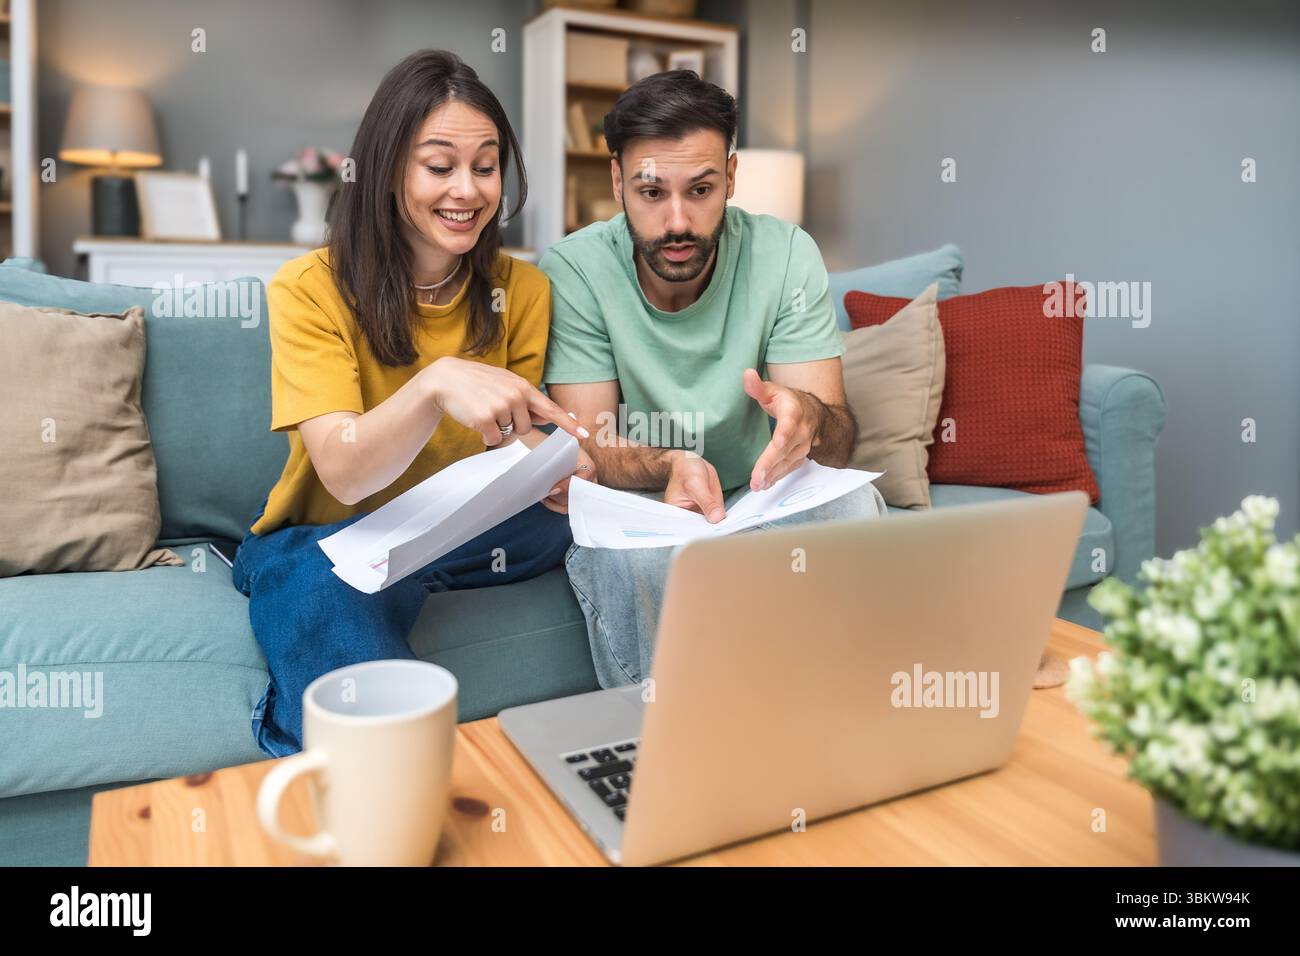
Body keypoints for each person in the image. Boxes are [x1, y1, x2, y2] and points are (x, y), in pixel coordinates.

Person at [232, 50, 591, 756]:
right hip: (344, 529)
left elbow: (518, 444)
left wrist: (554, 464)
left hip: (469, 531)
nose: (468, 189)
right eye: (439, 165)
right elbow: (344, 473)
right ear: (389, 169)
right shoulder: (308, 288)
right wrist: (433, 385)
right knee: (310, 580)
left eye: (485, 166)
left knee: (593, 528)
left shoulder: (523, 290)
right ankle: (392, 770)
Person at [541, 70, 885, 688]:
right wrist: (666, 464)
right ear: (617, 180)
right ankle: (664, 748)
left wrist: (810, 418)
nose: (677, 222)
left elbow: (836, 442)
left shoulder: (785, 255)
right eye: (651, 193)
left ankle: (845, 715)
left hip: (764, 499)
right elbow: (588, 441)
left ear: (730, 176)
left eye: (700, 189)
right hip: (648, 509)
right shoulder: (576, 269)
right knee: (633, 565)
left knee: (855, 504)